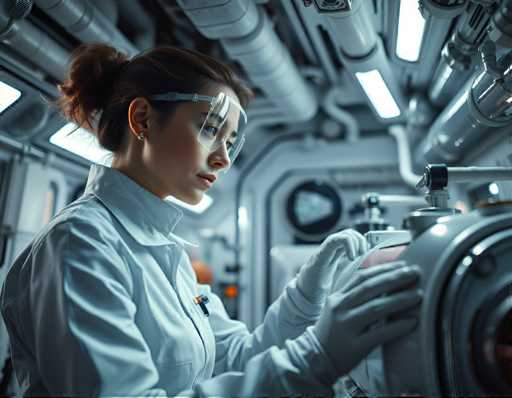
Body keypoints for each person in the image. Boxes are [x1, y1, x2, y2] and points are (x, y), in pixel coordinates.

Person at [0, 43, 422, 397]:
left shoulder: (166, 252)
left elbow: (239, 356)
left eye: (231, 143)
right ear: (142, 119)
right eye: (209, 129)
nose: (222, 159)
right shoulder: (81, 245)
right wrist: (317, 356)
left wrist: (306, 297)